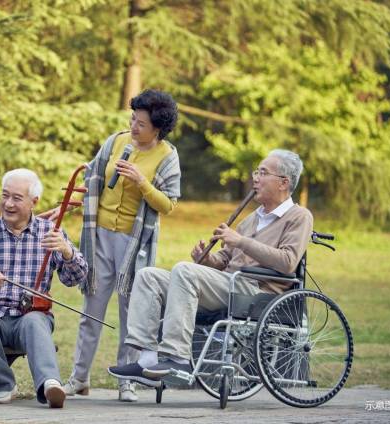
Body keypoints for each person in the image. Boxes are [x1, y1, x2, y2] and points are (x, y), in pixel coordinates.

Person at [107, 149, 313, 387]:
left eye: (263, 173)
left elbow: (288, 261)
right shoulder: (252, 219)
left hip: (258, 292)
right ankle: (147, 359)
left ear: (283, 183)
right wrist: (207, 260)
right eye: (256, 172)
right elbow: (225, 260)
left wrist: (240, 241)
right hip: (229, 285)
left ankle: (177, 358)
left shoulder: (299, 216)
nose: (255, 178)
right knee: (148, 276)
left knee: (184, 270)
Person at [39, 89, 181, 401]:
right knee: (92, 310)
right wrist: (67, 205)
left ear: (158, 128)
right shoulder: (116, 142)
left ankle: (126, 382)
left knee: (131, 314)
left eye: (141, 124)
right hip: (100, 236)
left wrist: (142, 182)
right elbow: (93, 182)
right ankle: (79, 378)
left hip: (134, 243)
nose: (134, 127)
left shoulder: (167, 157)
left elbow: (168, 204)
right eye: (133, 119)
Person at [0, 169, 88, 408]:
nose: (8, 203)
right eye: (5, 196)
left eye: (16, 198)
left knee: (35, 320)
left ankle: (50, 384)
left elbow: (74, 278)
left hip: (29, 319)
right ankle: (4, 384)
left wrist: (67, 252)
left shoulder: (50, 232)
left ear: (34, 202)